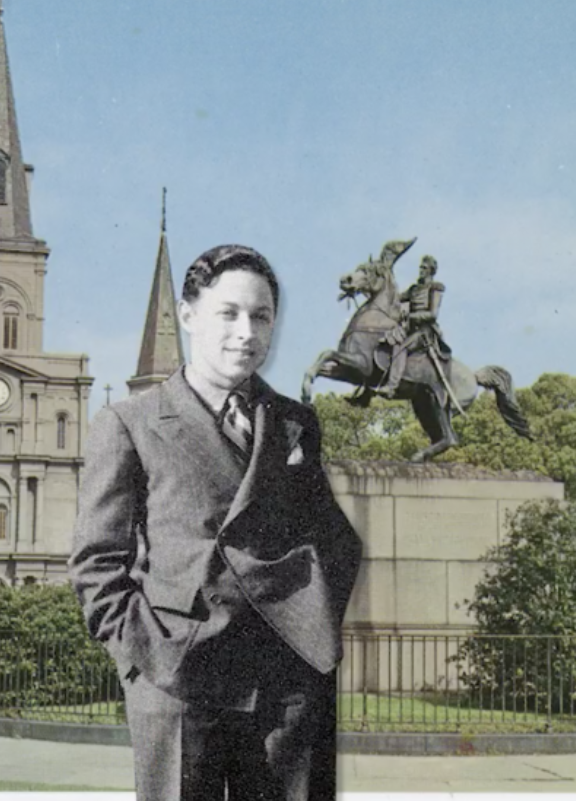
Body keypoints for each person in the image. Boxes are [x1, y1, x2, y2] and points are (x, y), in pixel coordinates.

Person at [69, 244, 362, 801]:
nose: (246, 333)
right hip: (179, 679)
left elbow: (334, 541)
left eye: (261, 316)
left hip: (285, 682)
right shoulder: (129, 423)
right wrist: (145, 659)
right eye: (229, 313)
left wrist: (313, 630)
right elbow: (95, 564)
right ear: (188, 315)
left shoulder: (295, 421)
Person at [376, 254, 447, 397]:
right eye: (420, 267)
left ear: (431, 271)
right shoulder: (414, 289)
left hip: (425, 332)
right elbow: (395, 299)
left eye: (424, 268)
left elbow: (432, 314)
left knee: (400, 347)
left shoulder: (435, 288)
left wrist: (410, 316)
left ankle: (392, 387)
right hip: (411, 330)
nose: (421, 270)